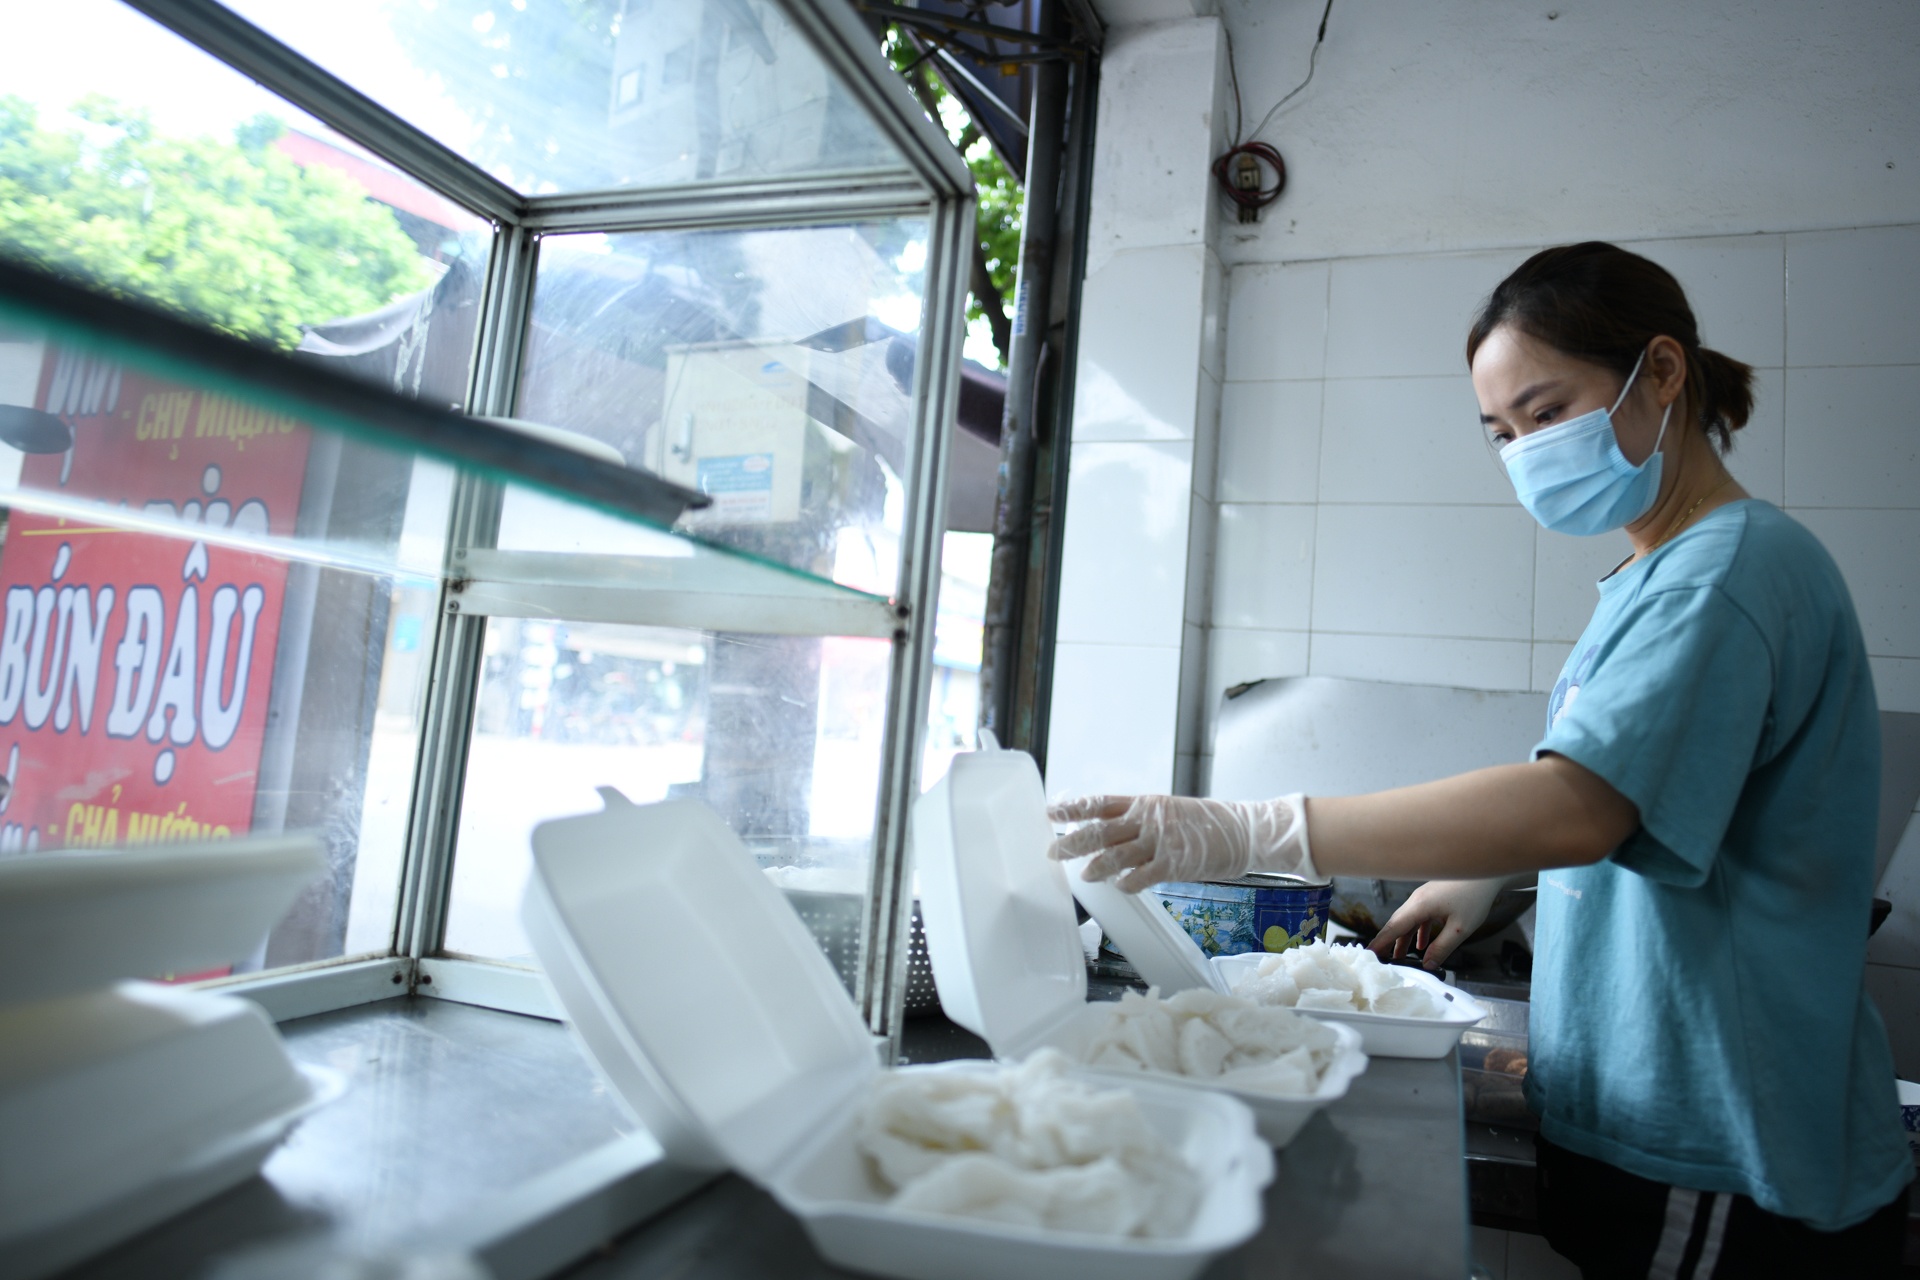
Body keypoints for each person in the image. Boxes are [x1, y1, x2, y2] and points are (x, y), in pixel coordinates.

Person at [1049, 242, 1914, 1278]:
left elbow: (1580, 805)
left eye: (1549, 413)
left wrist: (1255, 826)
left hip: (1728, 1137)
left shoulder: (1723, 573)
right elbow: (1653, 802)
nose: (1526, 451)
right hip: (1664, 1112)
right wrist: (1491, 870)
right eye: (1502, 431)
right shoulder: (1659, 571)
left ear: (1665, 373)